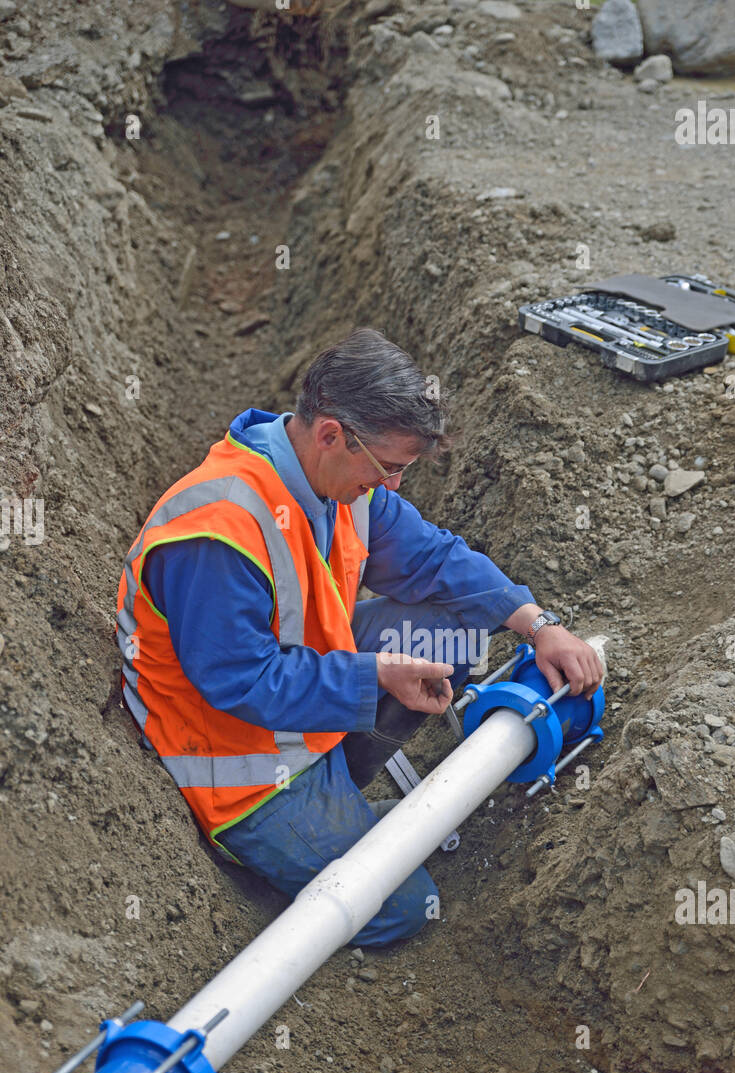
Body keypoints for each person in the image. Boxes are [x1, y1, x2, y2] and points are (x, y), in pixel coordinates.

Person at [116, 327, 603, 947]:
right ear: (330, 434)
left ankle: (338, 785)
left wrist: (539, 625)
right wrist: (373, 676)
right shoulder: (218, 533)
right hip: (241, 763)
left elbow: (433, 559)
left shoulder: (340, 481)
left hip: (308, 697)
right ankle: (269, 852)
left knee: (454, 636)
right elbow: (243, 680)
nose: (393, 485)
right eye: (389, 468)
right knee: (404, 906)